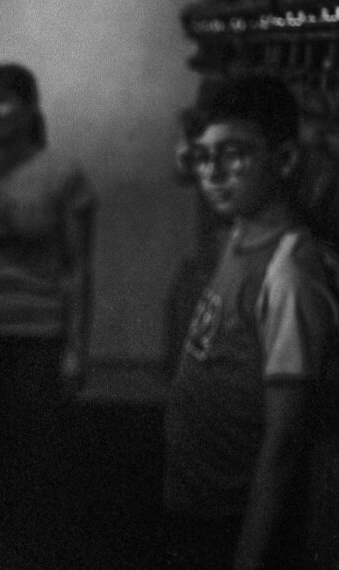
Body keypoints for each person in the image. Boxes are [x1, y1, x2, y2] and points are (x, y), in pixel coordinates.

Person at [165, 76, 339, 569]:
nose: (213, 174)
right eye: (205, 157)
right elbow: (189, 159)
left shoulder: (289, 272)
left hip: (237, 520)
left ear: (285, 160)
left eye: (235, 154)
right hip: (196, 502)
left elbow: (284, 441)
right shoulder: (237, 234)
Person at [0, 62, 95, 436]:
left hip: (35, 337)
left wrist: (76, 351)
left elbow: (79, 267)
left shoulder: (62, 174)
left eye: (2, 100)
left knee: (27, 453)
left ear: (30, 107)